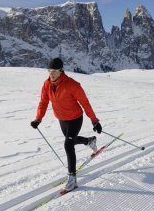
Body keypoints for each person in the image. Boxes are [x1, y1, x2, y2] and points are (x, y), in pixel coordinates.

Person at [31, 57, 103, 192]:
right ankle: (89, 141)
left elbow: (85, 103)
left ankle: (72, 180)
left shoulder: (72, 85)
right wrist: (38, 119)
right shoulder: (46, 85)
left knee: (68, 144)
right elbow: (43, 102)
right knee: (71, 140)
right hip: (62, 119)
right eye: (49, 71)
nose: (51, 74)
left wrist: (94, 120)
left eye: (54, 71)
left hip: (75, 118)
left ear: (61, 71)